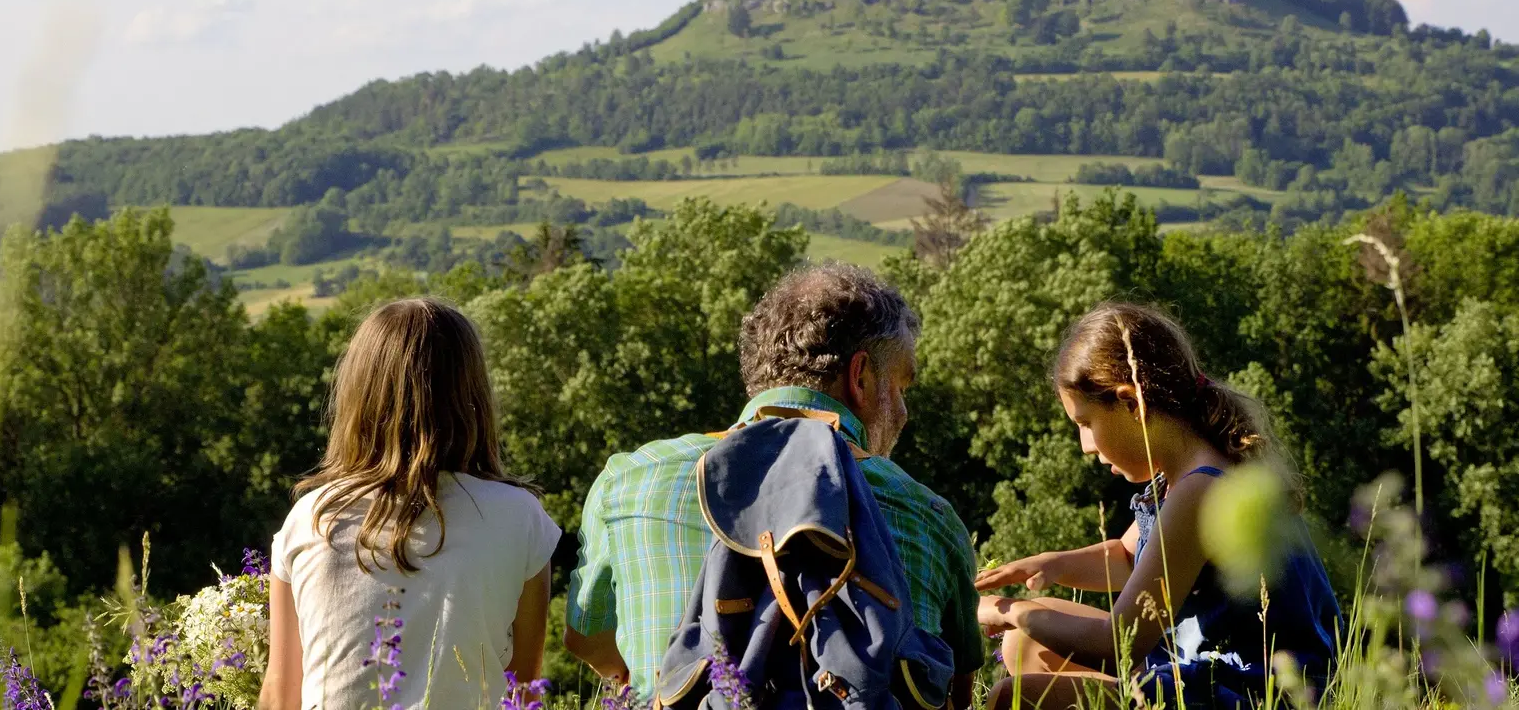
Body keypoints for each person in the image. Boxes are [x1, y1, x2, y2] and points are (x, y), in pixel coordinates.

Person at [563, 263, 987, 708]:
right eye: (901, 386)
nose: (903, 411)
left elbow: (588, 638)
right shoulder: (931, 516)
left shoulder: (633, 478)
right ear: (860, 377)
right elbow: (955, 694)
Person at [973, 303, 1342, 710]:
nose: (1085, 446)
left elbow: (1118, 645)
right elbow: (1130, 556)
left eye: (1085, 423)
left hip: (1253, 691)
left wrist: (1007, 609)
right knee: (1024, 642)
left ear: (1132, 403)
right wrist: (1054, 564)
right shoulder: (1187, 473)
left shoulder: (1201, 491)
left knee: (1013, 697)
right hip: (1204, 670)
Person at [259, 299, 560, 710]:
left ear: (357, 394)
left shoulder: (312, 519)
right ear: (471, 394)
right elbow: (523, 693)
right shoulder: (521, 517)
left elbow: (280, 694)